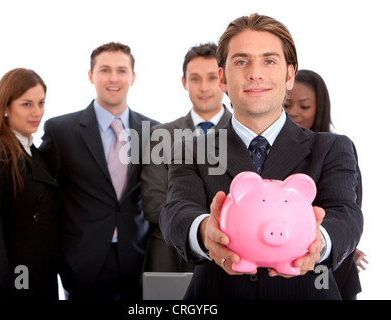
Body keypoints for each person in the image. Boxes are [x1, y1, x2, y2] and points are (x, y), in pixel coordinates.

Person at [159, 13, 363, 299]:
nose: (255, 73)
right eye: (241, 61)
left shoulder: (331, 148)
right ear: (222, 78)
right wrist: (206, 229)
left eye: (269, 61)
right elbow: (176, 211)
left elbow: (346, 213)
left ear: (289, 75)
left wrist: (319, 240)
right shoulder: (192, 150)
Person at [39, 42, 159, 300]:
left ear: (133, 77)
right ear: (91, 75)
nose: (113, 78)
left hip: (136, 260)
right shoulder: (61, 131)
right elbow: (41, 198)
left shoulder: (154, 131)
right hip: (80, 263)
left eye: (121, 70)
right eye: (105, 70)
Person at [0, 68, 60, 300]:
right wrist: (0, 288)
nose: (37, 112)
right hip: (13, 285)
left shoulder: (31, 152)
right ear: (5, 107)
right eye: (26, 104)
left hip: (39, 278)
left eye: (41, 103)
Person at [141, 43, 231, 272]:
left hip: (230, 252)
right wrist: (199, 229)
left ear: (223, 80)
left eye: (212, 78)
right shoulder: (161, 135)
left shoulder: (245, 134)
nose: (204, 87)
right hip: (171, 255)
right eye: (195, 79)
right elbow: (153, 203)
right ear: (184, 82)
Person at [284, 69, 368, 299]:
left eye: (304, 106)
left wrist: (339, 243)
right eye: (287, 105)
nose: (294, 113)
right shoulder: (272, 150)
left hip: (330, 272)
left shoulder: (337, 149)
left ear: (319, 107)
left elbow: (347, 209)